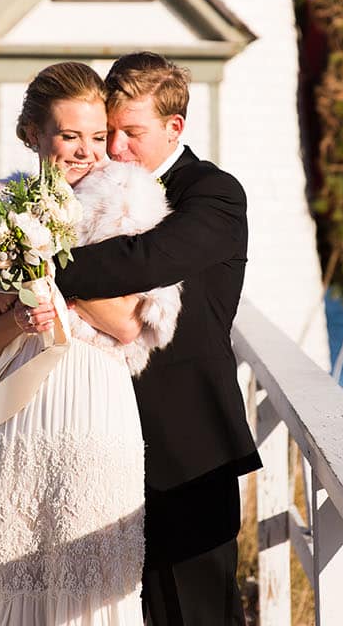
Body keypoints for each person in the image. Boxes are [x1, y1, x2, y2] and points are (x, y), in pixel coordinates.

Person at [0, 61, 181, 625]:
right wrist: (23, 313)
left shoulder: (129, 203)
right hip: (20, 421)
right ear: (32, 134)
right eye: (69, 136)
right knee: (15, 580)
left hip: (96, 414)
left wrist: (43, 265)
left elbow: (127, 325)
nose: (87, 151)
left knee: (93, 586)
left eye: (97, 137)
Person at [54, 52, 259, 626]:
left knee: (195, 612)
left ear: (175, 127)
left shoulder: (214, 193)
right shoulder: (93, 187)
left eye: (132, 132)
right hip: (99, 430)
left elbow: (144, 260)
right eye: (110, 131)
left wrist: (34, 259)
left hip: (187, 439)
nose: (115, 148)